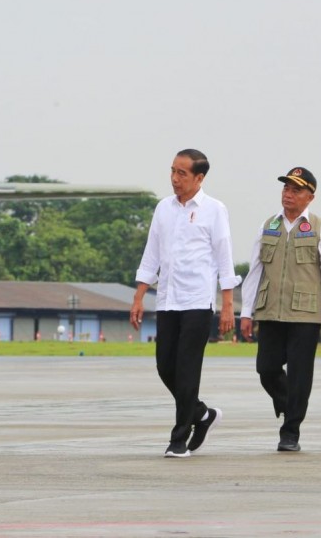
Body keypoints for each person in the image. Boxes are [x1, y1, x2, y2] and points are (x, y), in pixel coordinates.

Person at [130, 148, 239, 459]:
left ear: (199, 178)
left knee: (188, 370)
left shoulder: (215, 210)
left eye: (182, 173)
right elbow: (151, 254)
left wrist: (227, 303)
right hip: (167, 299)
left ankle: (179, 438)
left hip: (197, 300)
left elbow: (224, 257)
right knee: (165, 366)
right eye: (173, 171)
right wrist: (139, 296)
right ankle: (202, 414)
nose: (175, 179)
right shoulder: (163, 209)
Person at [240, 167, 321, 452]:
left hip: (306, 314)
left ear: (310, 197)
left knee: (300, 373)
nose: (288, 194)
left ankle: (291, 431)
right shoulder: (268, 225)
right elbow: (255, 270)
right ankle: (288, 403)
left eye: (296, 190)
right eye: (286, 188)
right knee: (266, 369)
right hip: (270, 309)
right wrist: (246, 312)